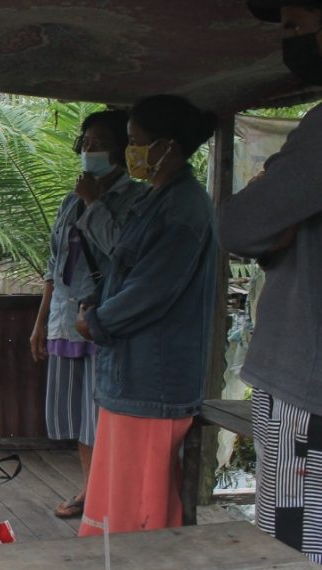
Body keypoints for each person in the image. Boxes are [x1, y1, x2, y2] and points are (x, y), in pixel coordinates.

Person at [75, 94, 218, 537]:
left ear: (166, 146)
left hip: (153, 377)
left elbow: (150, 290)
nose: (130, 151)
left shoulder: (183, 208)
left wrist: (97, 321)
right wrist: (95, 304)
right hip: (131, 373)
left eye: (136, 141)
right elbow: (123, 265)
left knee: (140, 502)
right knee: (119, 490)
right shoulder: (159, 198)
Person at [221, 2, 322, 561]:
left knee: (295, 540)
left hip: (306, 381)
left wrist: (270, 192)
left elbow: (242, 225)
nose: (291, 38)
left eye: (298, 24)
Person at [29, 109, 144, 519]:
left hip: (104, 321)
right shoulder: (69, 201)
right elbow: (54, 264)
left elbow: (123, 253)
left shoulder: (136, 200)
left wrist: (95, 203)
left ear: (122, 150)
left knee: (104, 411)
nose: (91, 150)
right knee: (79, 415)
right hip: (65, 319)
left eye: (101, 144)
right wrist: (41, 322)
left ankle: (114, 495)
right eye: (87, 143)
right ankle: (92, 490)